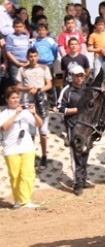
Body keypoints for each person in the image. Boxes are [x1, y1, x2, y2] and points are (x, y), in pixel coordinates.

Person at [1, 86, 43, 209]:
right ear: (7, 100)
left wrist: (34, 113)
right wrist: (16, 114)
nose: (15, 100)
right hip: (11, 149)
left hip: (27, 147)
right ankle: (17, 200)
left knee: (28, 174)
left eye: (17, 97)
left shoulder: (25, 112)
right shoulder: (4, 114)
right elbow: (3, 128)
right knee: (15, 176)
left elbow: (39, 124)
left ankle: (26, 201)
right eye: (13, 98)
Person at [57, 65, 93, 195]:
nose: (79, 78)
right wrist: (77, 110)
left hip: (87, 128)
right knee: (76, 156)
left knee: (85, 154)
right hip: (73, 127)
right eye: (77, 75)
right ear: (71, 76)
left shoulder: (87, 89)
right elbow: (60, 109)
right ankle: (77, 183)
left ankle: (83, 180)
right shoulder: (67, 91)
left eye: (81, 75)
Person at [16, 48, 53, 170]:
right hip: (27, 103)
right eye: (30, 56)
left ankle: (44, 156)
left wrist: (38, 90)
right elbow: (17, 86)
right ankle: (31, 156)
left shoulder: (44, 68)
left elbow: (49, 84)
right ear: (27, 57)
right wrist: (28, 89)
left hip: (42, 102)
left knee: (43, 132)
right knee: (31, 133)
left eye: (34, 56)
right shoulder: (22, 69)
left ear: (38, 57)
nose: (32, 58)